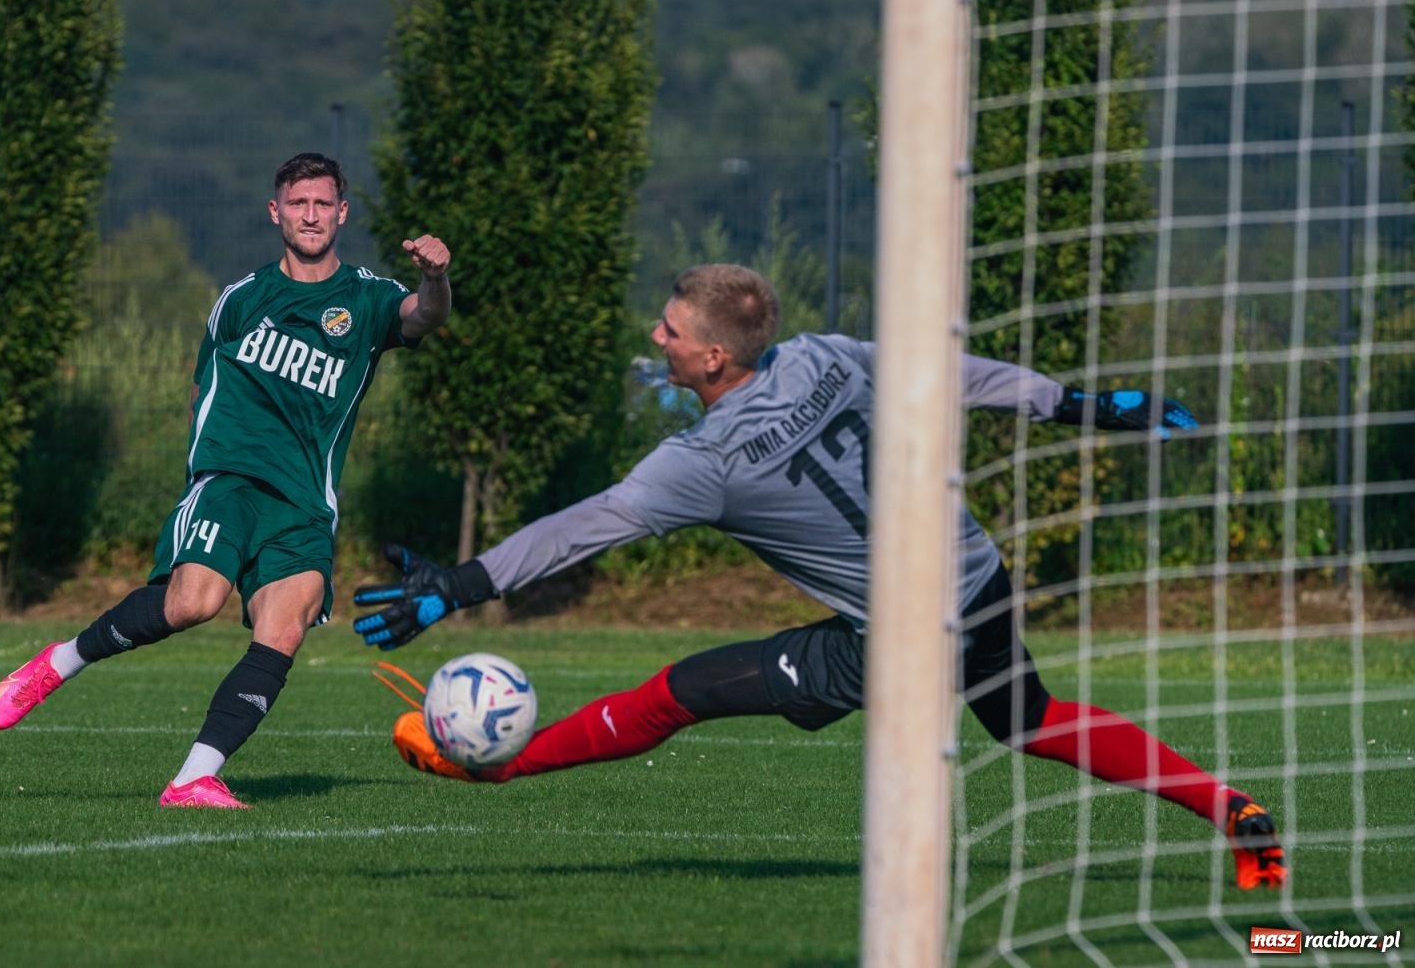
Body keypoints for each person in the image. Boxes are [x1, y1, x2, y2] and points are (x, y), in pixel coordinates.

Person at [351, 262, 1288, 891]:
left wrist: (457, 586)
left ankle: (495, 764)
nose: (657, 333)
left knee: (676, 692)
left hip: (894, 641)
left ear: (712, 357)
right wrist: (1076, 403)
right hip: (975, 578)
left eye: (670, 328)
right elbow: (951, 373)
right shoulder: (824, 357)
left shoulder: (704, 460)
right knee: (1030, 718)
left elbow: (580, 528)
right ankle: (1230, 807)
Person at [0, 152, 454, 809]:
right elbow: (200, 393)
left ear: (342, 213)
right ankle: (60, 661)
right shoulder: (241, 300)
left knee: (285, 628)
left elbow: (425, 316)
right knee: (192, 603)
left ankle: (192, 778)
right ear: (275, 212)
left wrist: (435, 278)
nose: (311, 215)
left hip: (304, 502)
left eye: (322, 203)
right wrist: (204, 469)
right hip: (231, 481)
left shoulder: (368, 299)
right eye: (298, 203)